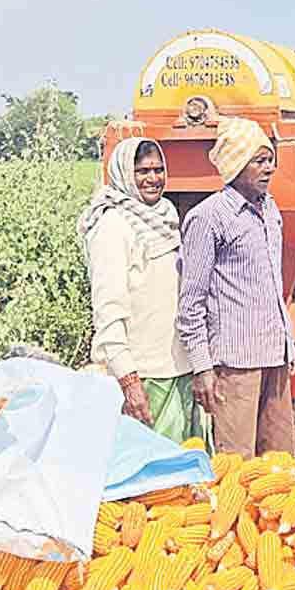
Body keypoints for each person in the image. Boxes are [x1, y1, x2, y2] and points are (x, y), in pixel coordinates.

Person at [177, 117, 295, 458]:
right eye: (259, 161)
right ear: (236, 165)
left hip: (275, 356)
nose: (269, 168)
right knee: (237, 466)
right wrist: (202, 367)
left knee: (280, 463)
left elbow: (273, 284)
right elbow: (191, 305)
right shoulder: (208, 218)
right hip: (235, 365)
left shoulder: (270, 209)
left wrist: (287, 340)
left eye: (270, 159)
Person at [79, 137, 200, 445]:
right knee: (152, 475)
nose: (153, 179)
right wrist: (129, 381)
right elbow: (108, 311)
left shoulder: (166, 215)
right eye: (143, 171)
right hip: (143, 373)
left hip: (177, 365)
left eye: (159, 170)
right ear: (123, 174)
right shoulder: (112, 227)